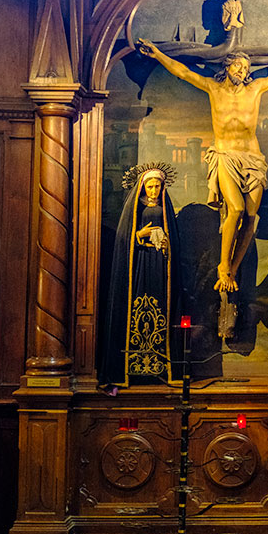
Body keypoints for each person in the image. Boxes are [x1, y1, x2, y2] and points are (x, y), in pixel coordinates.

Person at [136, 39, 268, 293]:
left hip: (253, 158)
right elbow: (183, 72)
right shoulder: (213, 88)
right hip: (225, 156)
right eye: (237, 67)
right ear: (227, 67)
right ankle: (222, 265)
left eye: (245, 68)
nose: (242, 72)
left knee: (251, 217)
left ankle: (232, 269)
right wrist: (157, 55)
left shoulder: (256, 89)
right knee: (236, 209)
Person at [98, 162, 181, 388]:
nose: (154, 191)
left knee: (160, 307)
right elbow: (124, 239)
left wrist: (166, 245)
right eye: (150, 186)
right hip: (139, 263)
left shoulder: (166, 207)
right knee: (137, 307)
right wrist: (139, 234)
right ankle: (132, 369)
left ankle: (159, 367)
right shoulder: (135, 208)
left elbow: (174, 240)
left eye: (157, 186)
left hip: (159, 265)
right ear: (143, 187)